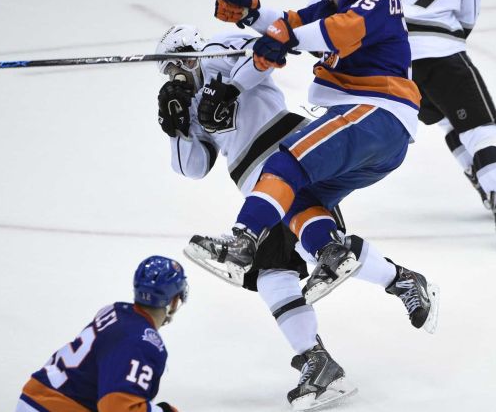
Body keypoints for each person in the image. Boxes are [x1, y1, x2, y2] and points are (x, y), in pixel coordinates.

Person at [154, 23, 437, 410]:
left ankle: (401, 281)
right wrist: (176, 129)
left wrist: (228, 86)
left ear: (194, 50)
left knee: (321, 251)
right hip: (257, 188)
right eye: (169, 71)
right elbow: (193, 168)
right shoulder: (184, 103)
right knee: (273, 276)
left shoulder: (222, 52)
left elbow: (263, 57)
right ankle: (318, 363)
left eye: (178, 63)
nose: (176, 74)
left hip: (294, 157)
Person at [387, 0, 496, 246]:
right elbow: (467, 17)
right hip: (441, 52)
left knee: (448, 122)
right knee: (480, 128)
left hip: (395, 59)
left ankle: (487, 187)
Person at [15, 256, 188, 412]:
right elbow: (117, 407)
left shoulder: (114, 311)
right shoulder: (144, 342)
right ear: (172, 302)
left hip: (35, 400)